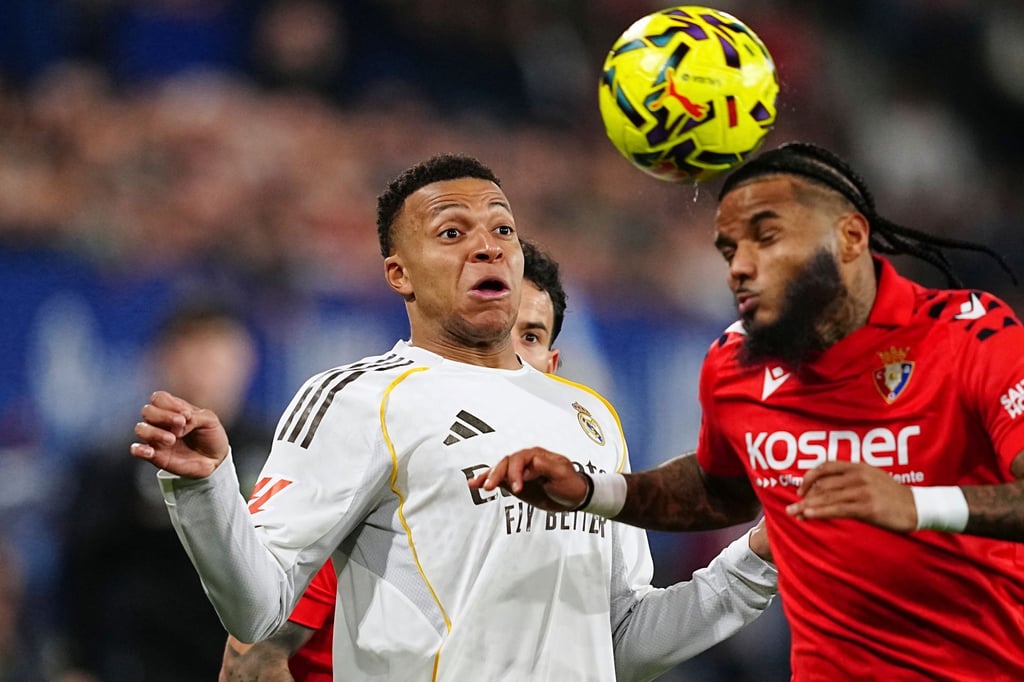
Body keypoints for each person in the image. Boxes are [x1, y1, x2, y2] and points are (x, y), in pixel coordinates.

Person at [133, 153, 778, 682]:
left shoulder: (589, 416)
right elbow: (258, 611)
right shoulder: (358, 399)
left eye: (502, 230)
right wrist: (205, 489)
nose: (488, 248)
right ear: (399, 274)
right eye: (452, 233)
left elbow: (621, 642)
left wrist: (758, 559)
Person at [476, 141, 1024, 680]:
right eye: (729, 249)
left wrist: (918, 504)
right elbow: (720, 489)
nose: (740, 266)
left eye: (766, 238)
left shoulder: (972, 335)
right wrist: (596, 491)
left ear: (850, 237)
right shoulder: (737, 363)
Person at [219, 238, 570, 681]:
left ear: (552, 366)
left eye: (530, 336)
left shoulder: (575, 508)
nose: (508, 354)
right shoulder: (384, 468)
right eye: (491, 330)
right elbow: (250, 660)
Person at [59, 301, 271, 682]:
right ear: (160, 359)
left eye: (216, 350)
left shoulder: (278, 453)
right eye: (189, 349)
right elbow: (83, 568)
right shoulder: (121, 458)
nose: (203, 366)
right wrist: (77, 663)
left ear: (245, 359)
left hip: (246, 663)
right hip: (143, 663)